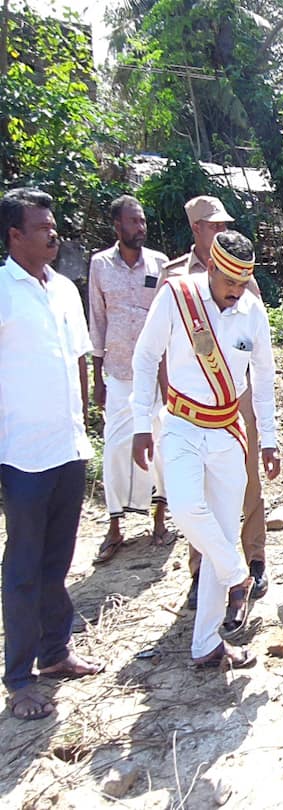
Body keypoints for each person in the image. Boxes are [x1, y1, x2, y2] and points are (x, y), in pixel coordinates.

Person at [132, 230, 280, 668]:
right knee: (185, 508)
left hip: (227, 432)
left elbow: (265, 380)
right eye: (229, 283)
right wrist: (142, 423)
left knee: (219, 525)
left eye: (243, 284)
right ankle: (238, 576)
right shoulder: (177, 297)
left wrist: (269, 440)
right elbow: (144, 358)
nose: (236, 293)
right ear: (211, 268)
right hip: (179, 424)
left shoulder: (252, 312)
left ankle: (206, 643)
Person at [1, 188, 104, 721]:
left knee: (58, 560)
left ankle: (56, 651)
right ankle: (18, 677)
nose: (53, 232)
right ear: (15, 235)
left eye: (54, 223)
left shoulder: (63, 287)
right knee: (22, 565)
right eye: (42, 226)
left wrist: (85, 419)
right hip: (20, 453)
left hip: (68, 447)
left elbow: (82, 358)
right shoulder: (2, 291)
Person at [160, 196, 268, 609]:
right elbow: (157, 350)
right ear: (196, 230)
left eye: (225, 226)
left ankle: (254, 557)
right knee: (196, 495)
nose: (221, 232)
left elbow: (257, 353)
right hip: (188, 407)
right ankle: (203, 570)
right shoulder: (176, 281)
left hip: (236, 403)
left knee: (247, 481)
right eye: (213, 226)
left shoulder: (245, 282)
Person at [88, 195, 171, 563]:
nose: (140, 227)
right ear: (117, 226)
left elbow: (169, 323)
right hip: (119, 371)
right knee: (117, 446)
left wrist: (169, 381)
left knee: (160, 444)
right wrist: (98, 378)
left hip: (155, 373)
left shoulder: (160, 264)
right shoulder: (100, 265)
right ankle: (116, 523)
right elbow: (98, 321)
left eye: (142, 221)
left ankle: (159, 518)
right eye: (133, 222)